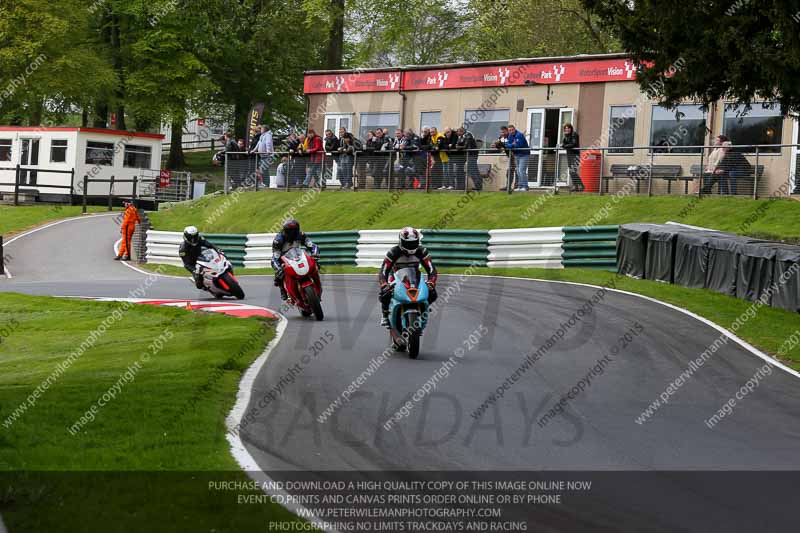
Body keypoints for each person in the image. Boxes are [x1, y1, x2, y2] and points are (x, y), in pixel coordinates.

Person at [377, 227, 438, 328]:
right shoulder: (393, 252)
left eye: (413, 243)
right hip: (396, 276)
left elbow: (432, 270)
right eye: (408, 243)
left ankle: (425, 305)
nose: (411, 246)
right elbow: (383, 272)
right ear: (401, 241)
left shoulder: (422, 252)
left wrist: (431, 282)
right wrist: (384, 284)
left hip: (415, 276)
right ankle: (385, 314)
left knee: (432, 293)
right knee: (385, 293)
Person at [271, 219, 320, 301]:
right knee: (279, 274)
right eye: (290, 231)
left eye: (294, 231)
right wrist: (278, 268)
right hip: (284, 258)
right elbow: (275, 257)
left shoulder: (301, 235)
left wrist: (315, 254)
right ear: (285, 230)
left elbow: (312, 246)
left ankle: (317, 286)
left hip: (298, 255)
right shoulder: (278, 240)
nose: (292, 233)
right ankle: (282, 289)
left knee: (315, 265)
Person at [179, 226, 221, 290]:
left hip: (201, 257)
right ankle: (206, 286)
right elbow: (187, 264)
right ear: (186, 236)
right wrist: (194, 270)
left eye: (195, 236)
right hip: (192, 263)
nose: (193, 239)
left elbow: (209, 245)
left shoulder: (199, 239)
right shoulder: (183, 249)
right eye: (191, 237)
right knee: (199, 285)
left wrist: (218, 250)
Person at [505, 125, 529, 191]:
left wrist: (511, 145)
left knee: (521, 171)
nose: (511, 131)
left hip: (524, 155)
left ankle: (525, 186)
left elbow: (519, 145)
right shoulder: (509, 136)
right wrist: (512, 144)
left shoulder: (519, 135)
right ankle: (520, 186)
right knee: (518, 171)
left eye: (512, 130)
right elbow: (506, 145)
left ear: (515, 129)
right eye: (510, 130)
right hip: (516, 155)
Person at [560, 123, 582, 192]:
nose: (567, 129)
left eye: (568, 128)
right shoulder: (566, 136)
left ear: (571, 128)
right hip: (569, 155)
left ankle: (580, 185)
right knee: (571, 171)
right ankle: (576, 186)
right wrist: (564, 144)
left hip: (575, 155)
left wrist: (565, 146)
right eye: (565, 128)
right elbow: (563, 144)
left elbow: (574, 144)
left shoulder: (574, 134)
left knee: (572, 171)